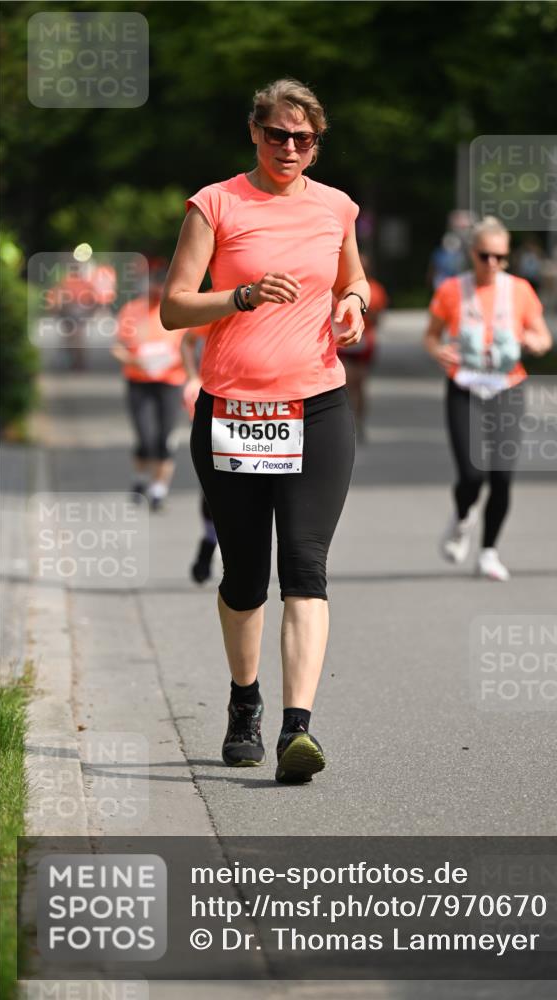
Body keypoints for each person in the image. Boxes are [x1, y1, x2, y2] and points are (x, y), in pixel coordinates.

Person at [160, 79, 368, 783]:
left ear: (317, 142)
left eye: (303, 138)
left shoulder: (336, 207)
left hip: (317, 408)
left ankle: (295, 729)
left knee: (305, 567)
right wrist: (241, 296)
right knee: (246, 577)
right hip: (234, 412)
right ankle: (244, 701)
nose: (289, 147)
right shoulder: (215, 204)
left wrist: (353, 304)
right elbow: (173, 308)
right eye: (277, 134)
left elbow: (354, 280)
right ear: (254, 131)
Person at [424, 216, 552, 581]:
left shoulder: (520, 290)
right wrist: (438, 351)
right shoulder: (452, 289)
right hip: (464, 386)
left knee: (502, 476)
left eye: (500, 257)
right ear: (472, 253)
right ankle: (463, 516)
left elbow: (543, 336)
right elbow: (431, 335)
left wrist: (535, 343)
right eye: (485, 256)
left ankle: (488, 552)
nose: (492, 263)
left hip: (507, 387)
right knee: (471, 473)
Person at [110, 259, 187, 511]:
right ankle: (140, 479)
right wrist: (134, 360)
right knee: (145, 436)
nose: (157, 292)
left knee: (165, 437)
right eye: (154, 287)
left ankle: (158, 490)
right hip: (139, 380)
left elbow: (189, 346)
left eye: (163, 288)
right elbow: (117, 347)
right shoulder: (132, 310)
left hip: (170, 381)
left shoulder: (178, 310)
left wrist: (180, 361)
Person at [180, 326, 219, 583]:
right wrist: (193, 377)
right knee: (213, 487)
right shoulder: (222, 304)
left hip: (273, 409)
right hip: (217, 401)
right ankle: (209, 540)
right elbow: (187, 340)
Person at [336, 252, 388, 442]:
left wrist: (361, 310)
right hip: (342, 342)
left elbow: (378, 318)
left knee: (359, 385)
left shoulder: (375, 289)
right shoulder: (336, 286)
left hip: (364, 342)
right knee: (347, 384)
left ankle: (358, 420)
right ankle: (349, 422)